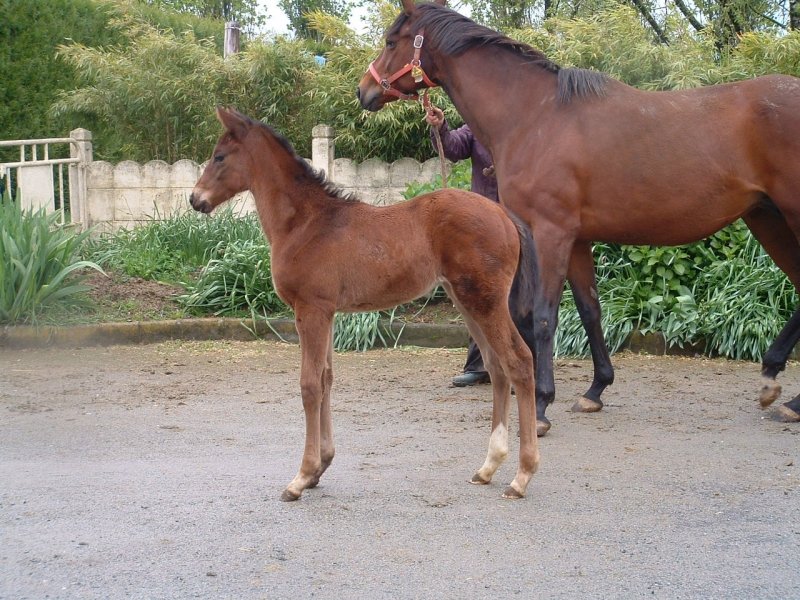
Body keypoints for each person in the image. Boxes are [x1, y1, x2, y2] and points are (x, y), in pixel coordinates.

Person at [425, 106, 497, 387]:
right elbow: (453, 147)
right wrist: (440, 126)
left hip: (519, 222)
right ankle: (479, 365)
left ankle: (522, 366)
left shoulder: (526, 124)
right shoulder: (478, 122)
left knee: (518, 296)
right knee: (477, 291)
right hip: (482, 225)